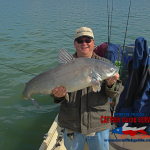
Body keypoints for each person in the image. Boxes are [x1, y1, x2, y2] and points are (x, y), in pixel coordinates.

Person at [51, 27, 122, 150]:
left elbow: (114, 94)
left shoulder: (105, 64)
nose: (84, 43)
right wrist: (58, 96)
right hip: (72, 124)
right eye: (80, 40)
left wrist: (111, 84)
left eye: (88, 40)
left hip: (98, 125)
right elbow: (56, 97)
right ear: (74, 44)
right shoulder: (62, 69)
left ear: (94, 42)